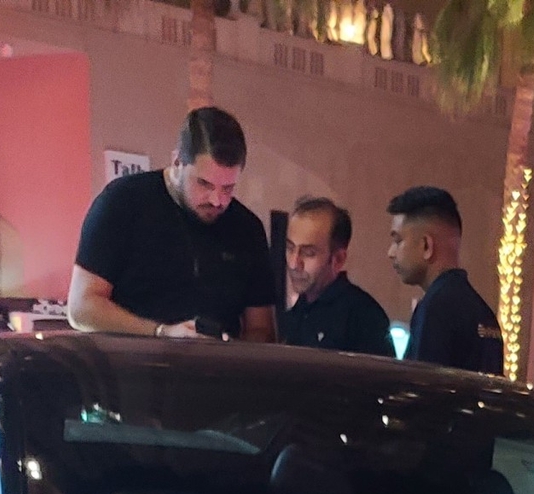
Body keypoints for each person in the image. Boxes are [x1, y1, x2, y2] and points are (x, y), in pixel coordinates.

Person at [68, 108, 278, 341]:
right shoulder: (123, 202)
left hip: (217, 372)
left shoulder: (247, 228)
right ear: (177, 162)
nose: (217, 200)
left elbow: (262, 330)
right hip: (130, 368)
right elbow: (81, 307)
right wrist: (162, 333)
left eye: (228, 188)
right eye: (204, 184)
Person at [385, 186, 503, 373]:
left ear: (426, 245)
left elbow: (424, 391)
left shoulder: (434, 309)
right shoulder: (483, 313)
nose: (390, 253)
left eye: (398, 240)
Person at [279, 198, 397, 355]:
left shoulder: (363, 317)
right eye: (290, 248)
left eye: (308, 253)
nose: (294, 263)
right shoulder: (296, 313)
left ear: (338, 259)